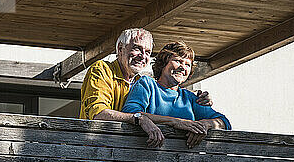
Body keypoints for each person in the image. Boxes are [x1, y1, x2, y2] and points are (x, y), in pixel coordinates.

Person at [79, 28, 212, 147]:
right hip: (95, 149)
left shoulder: (139, 80)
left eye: (147, 52)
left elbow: (167, 91)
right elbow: (99, 114)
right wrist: (139, 118)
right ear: (120, 48)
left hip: (120, 152)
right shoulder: (102, 69)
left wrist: (197, 100)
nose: (143, 56)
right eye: (137, 49)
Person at [122, 41, 231, 148]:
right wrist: (176, 122)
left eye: (188, 64)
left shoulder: (190, 98)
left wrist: (204, 125)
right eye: (178, 61)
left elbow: (224, 122)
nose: (183, 67)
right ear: (163, 63)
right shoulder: (147, 84)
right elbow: (131, 112)